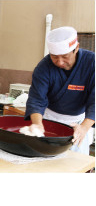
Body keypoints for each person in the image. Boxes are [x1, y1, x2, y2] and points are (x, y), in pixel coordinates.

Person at [25, 26, 95, 155]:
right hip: (49, 118)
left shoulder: (92, 63)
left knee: (75, 161)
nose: (60, 62)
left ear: (77, 48)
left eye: (65, 56)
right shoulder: (44, 67)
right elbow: (36, 99)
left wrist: (84, 127)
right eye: (54, 57)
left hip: (79, 122)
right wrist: (37, 124)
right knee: (45, 157)